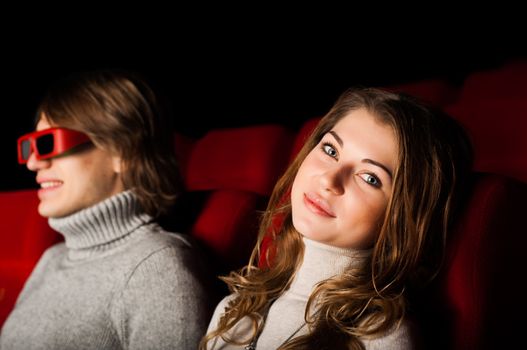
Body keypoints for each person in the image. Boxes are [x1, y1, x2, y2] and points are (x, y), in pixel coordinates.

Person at [201, 87, 473, 349]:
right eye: (331, 150)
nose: (330, 180)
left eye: (370, 178)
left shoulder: (381, 338)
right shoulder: (233, 309)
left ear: (402, 219)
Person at [1, 70, 214, 349]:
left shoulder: (158, 269)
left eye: (48, 143)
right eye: (29, 148)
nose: (33, 164)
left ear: (123, 152)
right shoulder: (54, 258)